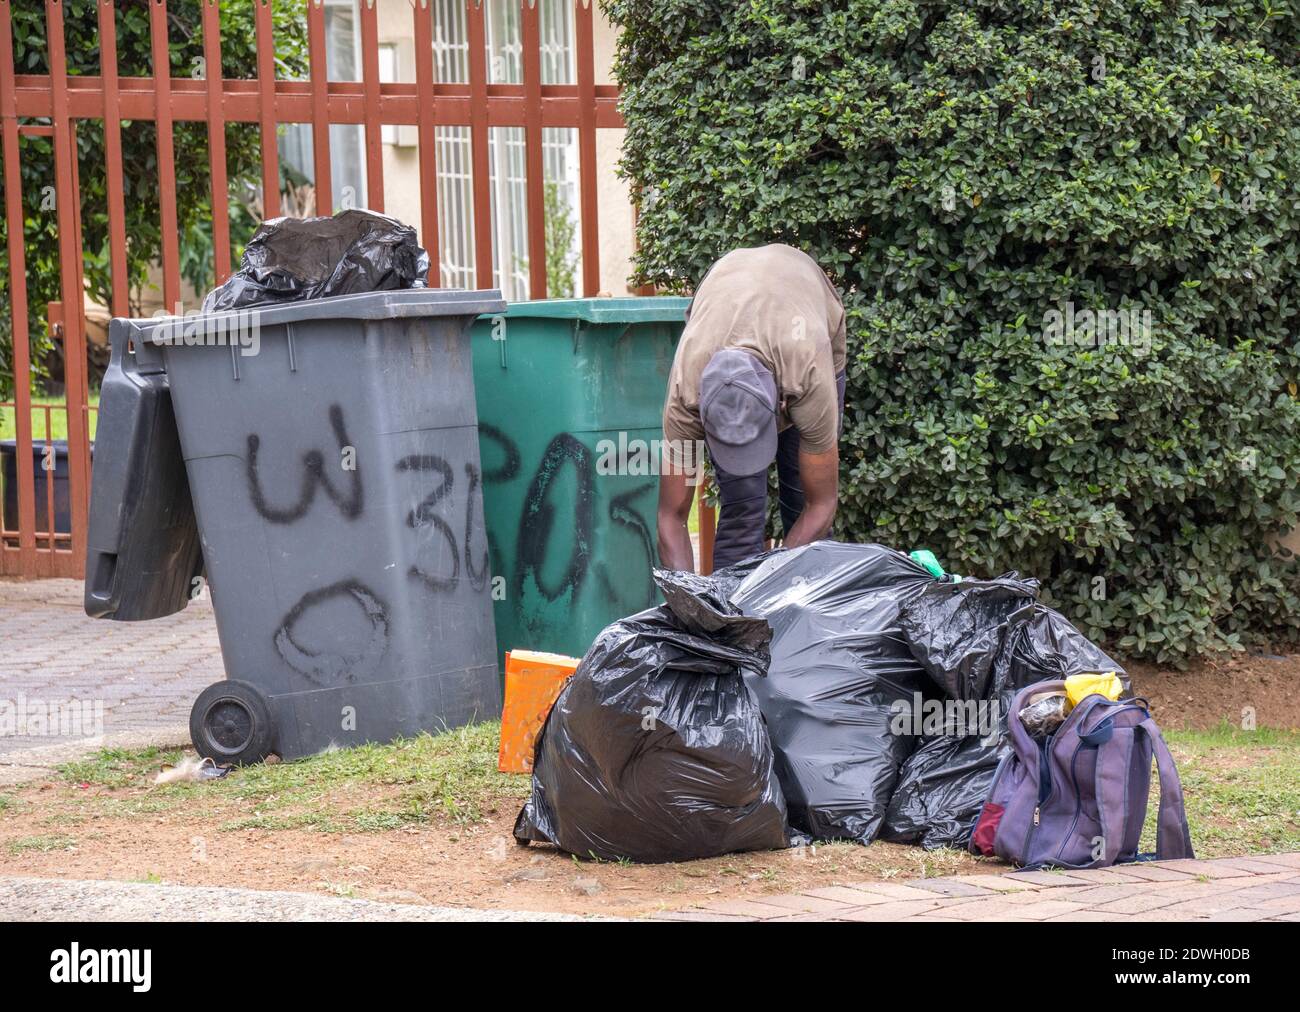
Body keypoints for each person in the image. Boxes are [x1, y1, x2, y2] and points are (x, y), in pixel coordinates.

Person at [656, 244, 846, 571]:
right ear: (704, 413)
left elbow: (822, 504)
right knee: (742, 509)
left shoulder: (808, 371)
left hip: (802, 312)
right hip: (727, 301)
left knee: (801, 496)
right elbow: (671, 517)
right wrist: (692, 604)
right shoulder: (686, 391)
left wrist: (769, 581)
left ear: (781, 404)